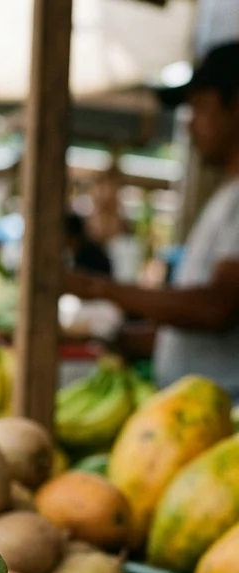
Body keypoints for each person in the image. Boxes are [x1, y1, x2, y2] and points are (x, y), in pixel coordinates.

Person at [65, 41, 239, 398]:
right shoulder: (225, 197)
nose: (190, 127)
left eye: (200, 108)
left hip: (221, 414)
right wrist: (119, 338)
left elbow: (216, 307)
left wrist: (96, 287)